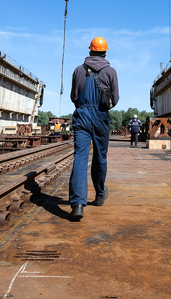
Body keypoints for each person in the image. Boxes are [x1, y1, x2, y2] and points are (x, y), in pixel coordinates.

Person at [68, 36, 119, 220]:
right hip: (100, 117)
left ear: (90, 51)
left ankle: (78, 205)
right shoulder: (110, 72)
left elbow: (74, 96)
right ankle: (99, 194)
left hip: (81, 116)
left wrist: (84, 107)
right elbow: (115, 98)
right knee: (100, 157)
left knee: (80, 158)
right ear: (105, 52)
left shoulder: (78, 70)